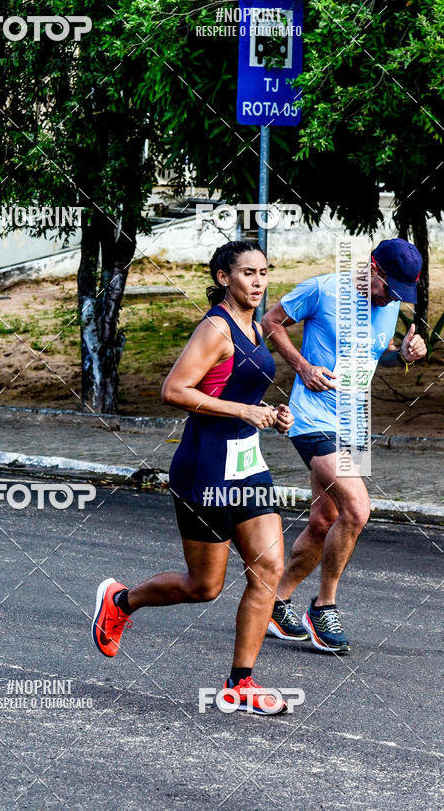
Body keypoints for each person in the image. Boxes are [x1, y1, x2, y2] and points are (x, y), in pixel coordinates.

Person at [92, 240, 296, 715]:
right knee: (204, 587)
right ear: (224, 277)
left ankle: (239, 684)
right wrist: (244, 409)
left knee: (268, 569)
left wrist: (269, 414)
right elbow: (174, 390)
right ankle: (122, 601)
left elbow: (237, 389)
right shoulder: (216, 328)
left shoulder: (252, 327)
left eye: (264, 272)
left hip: (247, 464)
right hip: (204, 466)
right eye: (248, 273)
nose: (258, 281)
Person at [261, 238, 427, 654]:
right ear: (373, 267)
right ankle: (323, 608)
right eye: (389, 288)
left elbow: (377, 354)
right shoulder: (323, 289)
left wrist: (404, 354)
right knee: (357, 508)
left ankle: (272, 602)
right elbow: (271, 321)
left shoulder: (389, 303)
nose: (391, 298)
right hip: (313, 419)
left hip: (354, 423)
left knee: (324, 520)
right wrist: (302, 366)